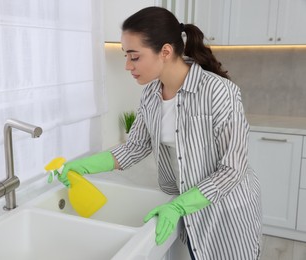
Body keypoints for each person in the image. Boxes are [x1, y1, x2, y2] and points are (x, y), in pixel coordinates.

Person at [57, 6, 262, 260]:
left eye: (134, 56)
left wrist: (179, 206)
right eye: (125, 56)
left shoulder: (218, 92)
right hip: (186, 207)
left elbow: (232, 169)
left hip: (227, 213)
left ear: (165, 51)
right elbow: (135, 147)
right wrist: (84, 166)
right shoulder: (151, 95)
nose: (127, 66)